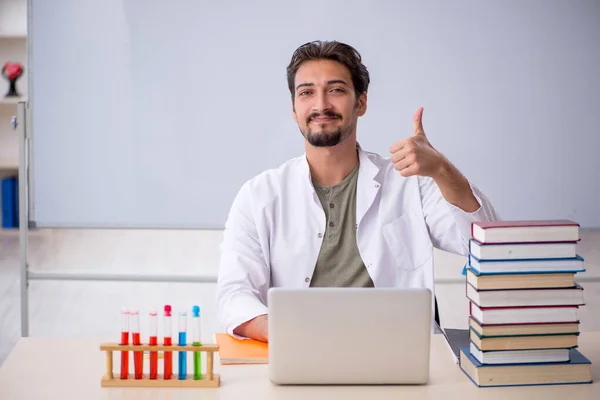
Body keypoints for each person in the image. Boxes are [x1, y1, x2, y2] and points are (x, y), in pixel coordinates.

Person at [216, 40, 499, 342]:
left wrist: (442, 170)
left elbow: (487, 246)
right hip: (300, 353)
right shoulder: (259, 195)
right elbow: (234, 296)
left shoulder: (410, 181)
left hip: (400, 354)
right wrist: (288, 333)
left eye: (336, 90)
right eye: (306, 92)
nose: (321, 105)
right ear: (294, 108)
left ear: (361, 102)